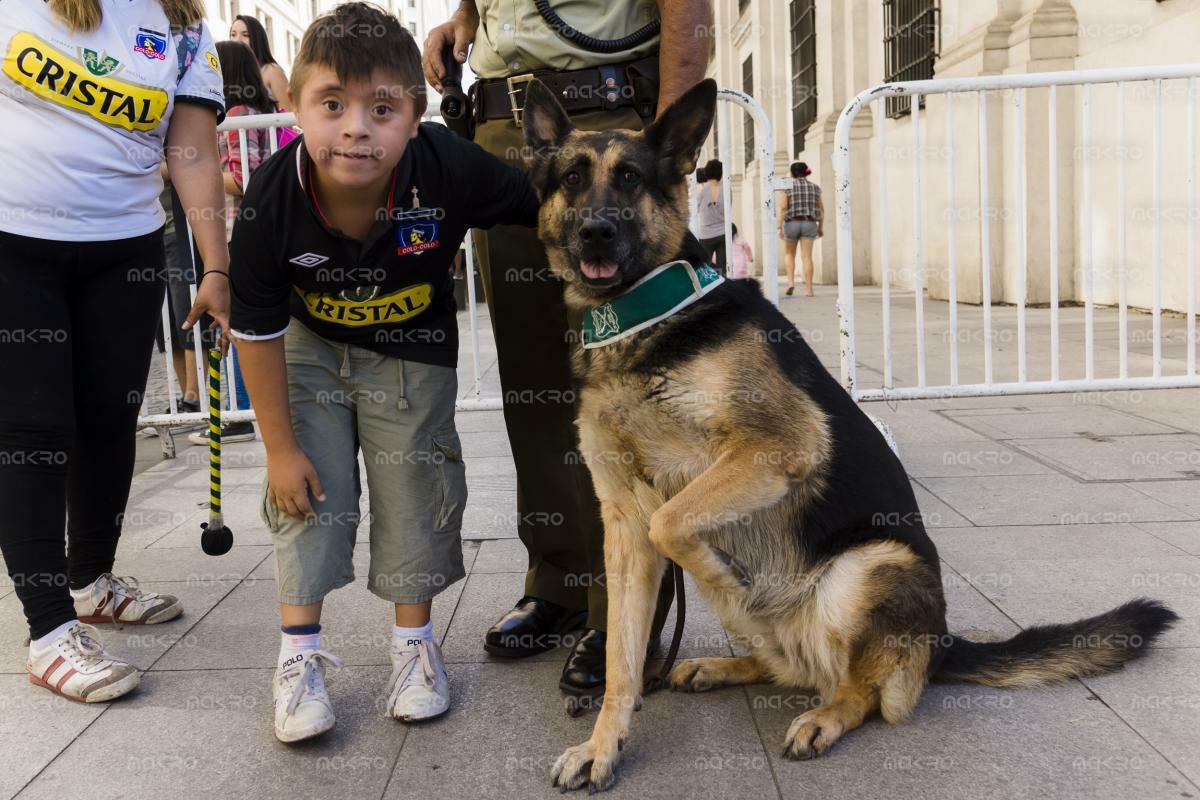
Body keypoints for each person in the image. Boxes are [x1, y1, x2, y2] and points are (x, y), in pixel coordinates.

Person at [229, 3, 540, 742]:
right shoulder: (273, 199)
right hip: (308, 350)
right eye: (331, 104)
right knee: (310, 492)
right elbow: (256, 332)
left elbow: (544, 198)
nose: (356, 128)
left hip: (411, 348)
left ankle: (414, 647)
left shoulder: (446, 165)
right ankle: (299, 658)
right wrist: (279, 449)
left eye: (382, 108)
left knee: (415, 489)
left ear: (417, 112)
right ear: (294, 105)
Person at [423, 0, 712, 699]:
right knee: (535, 387)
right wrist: (465, 17)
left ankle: (622, 616)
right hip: (505, 126)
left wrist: (663, 152)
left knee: (626, 398)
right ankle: (559, 584)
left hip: (608, 116)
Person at [0, 0, 228, 703]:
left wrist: (216, 268)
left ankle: (91, 581)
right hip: (13, 238)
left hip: (124, 247)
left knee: (108, 422)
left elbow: (189, 148)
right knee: (35, 428)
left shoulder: (184, 21)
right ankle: (48, 632)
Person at [188, 38, 279, 447]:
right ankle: (248, 409)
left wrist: (185, 175)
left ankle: (242, 413)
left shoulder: (238, 115)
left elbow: (243, 178)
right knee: (250, 322)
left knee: (238, 324)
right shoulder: (265, 111)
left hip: (235, 231)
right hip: (262, 230)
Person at [777, 161, 823, 297]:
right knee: (807, 256)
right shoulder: (815, 187)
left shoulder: (788, 187)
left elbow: (783, 207)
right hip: (809, 222)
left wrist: (780, 226)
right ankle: (809, 289)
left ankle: (791, 283)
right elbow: (821, 209)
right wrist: (821, 226)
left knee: (789, 254)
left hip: (792, 223)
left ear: (792, 173)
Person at [229, 14, 291, 114]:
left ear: (257, 39)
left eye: (245, 35)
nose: (238, 39)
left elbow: (289, 118)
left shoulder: (272, 71)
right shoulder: (229, 74)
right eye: (233, 34)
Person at [696, 158, 727, 274]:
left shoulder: (702, 190)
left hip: (705, 234)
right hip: (723, 233)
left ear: (707, 172)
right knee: (723, 269)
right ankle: (723, 290)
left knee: (705, 269)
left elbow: (695, 209)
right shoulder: (726, 189)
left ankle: (709, 290)